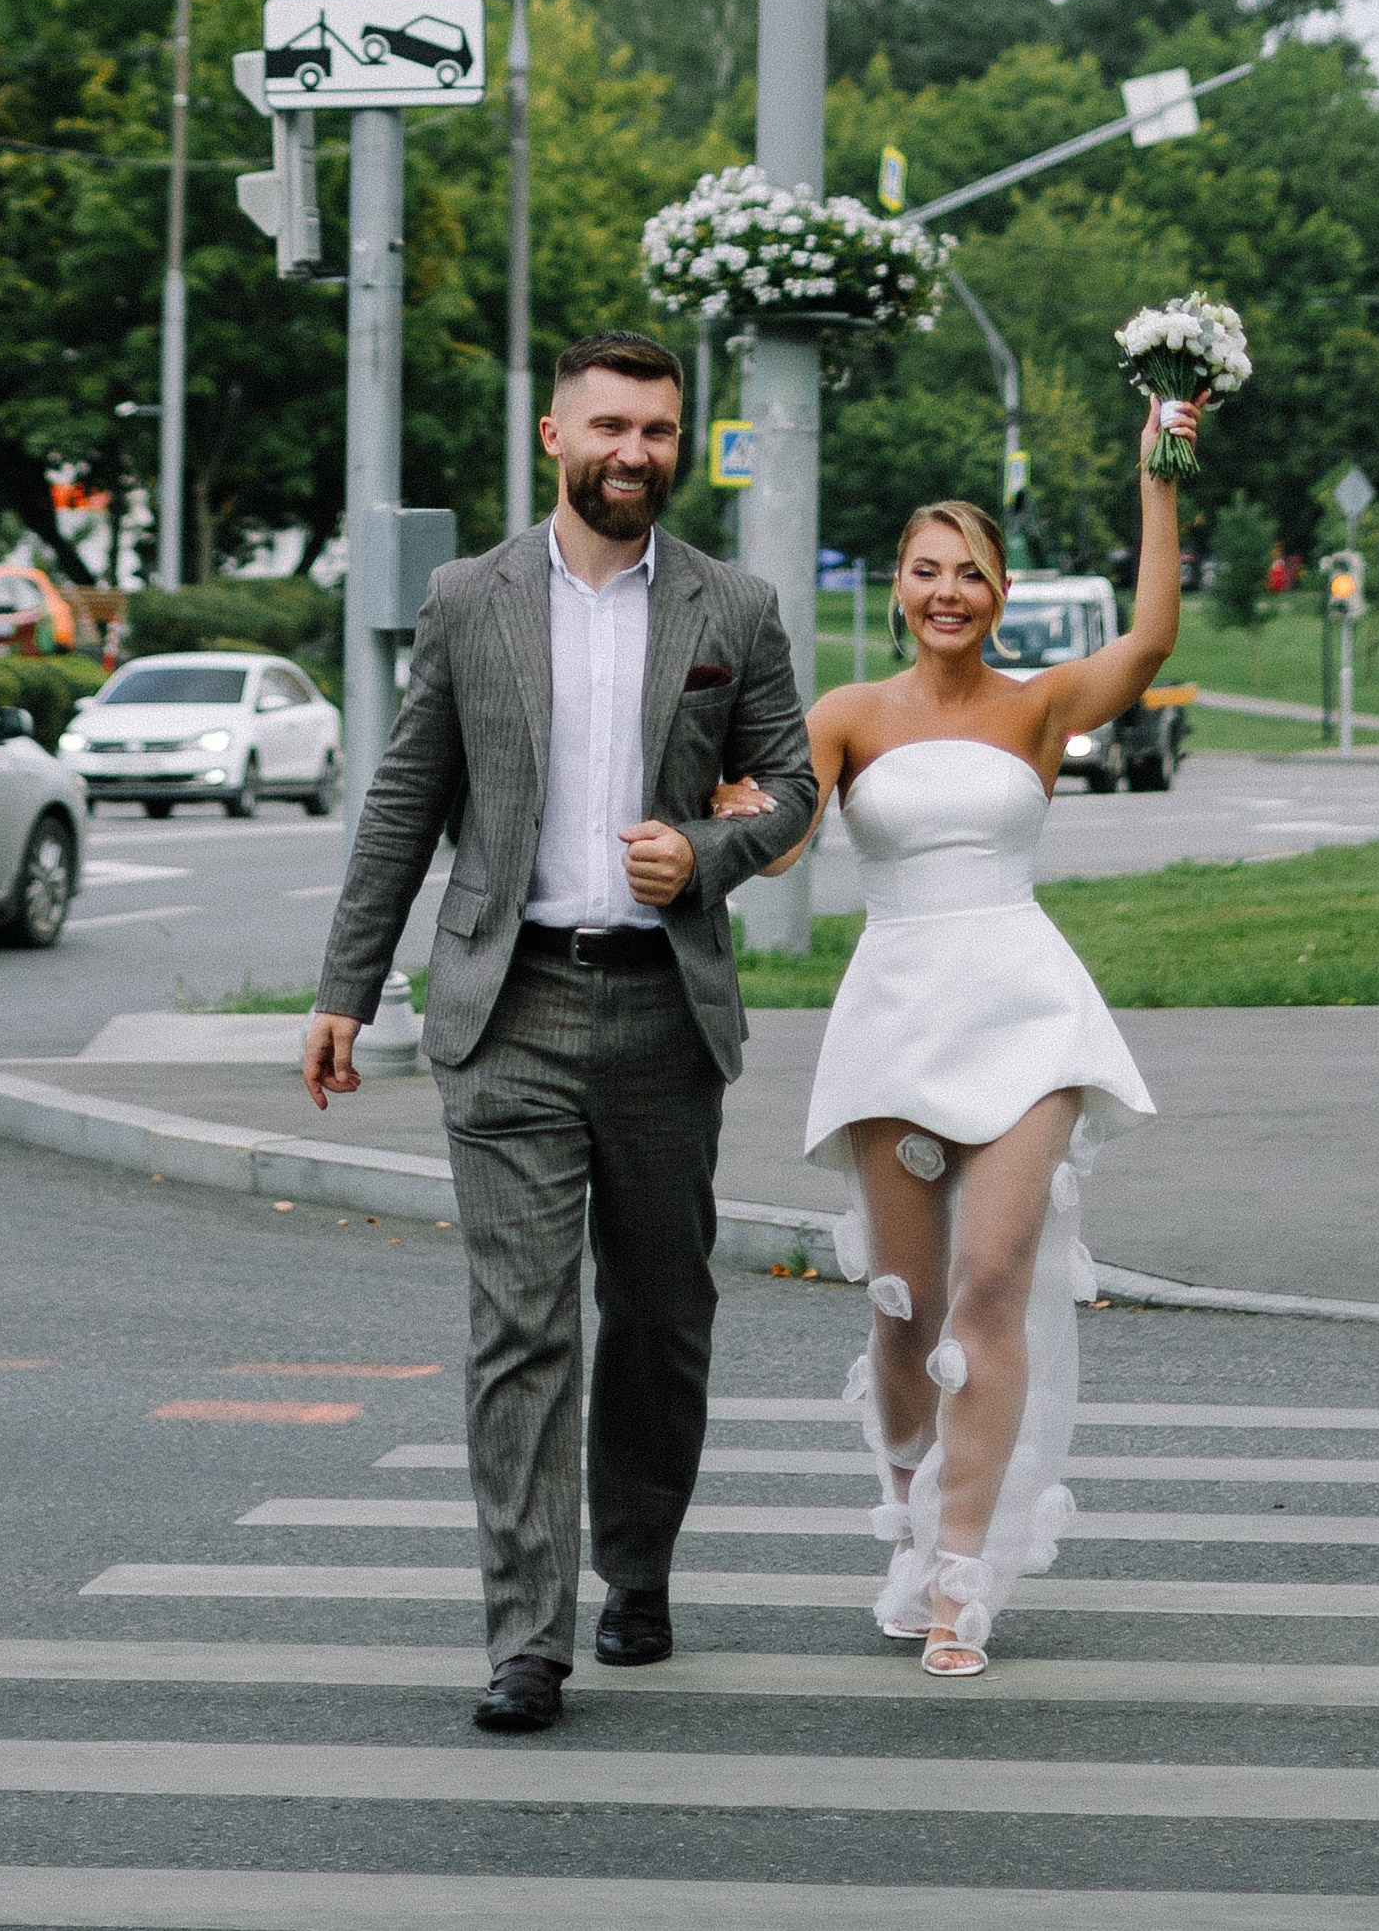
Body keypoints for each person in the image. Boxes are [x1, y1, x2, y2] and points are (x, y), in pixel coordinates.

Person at [303, 330, 817, 1736]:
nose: (632, 452)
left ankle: (635, 1565)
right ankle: (524, 1635)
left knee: (659, 1318)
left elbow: (791, 791)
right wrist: (345, 986)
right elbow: (406, 801)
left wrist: (704, 856)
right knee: (519, 1328)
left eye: (654, 429)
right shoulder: (470, 600)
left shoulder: (735, 605)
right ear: (553, 437)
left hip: (663, 1010)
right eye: (608, 426)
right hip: (506, 1005)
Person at [716, 397, 1195, 1676]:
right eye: (926, 572)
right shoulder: (848, 714)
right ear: (896, 591)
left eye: (969, 573)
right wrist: (721, 810)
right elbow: (777, 843)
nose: (947, 591)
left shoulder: (1038, 708)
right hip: (896, 1014)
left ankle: (965, 1572)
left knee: (987, 1288)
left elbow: (1149, 637)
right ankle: (906, 1524)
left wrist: (1161, 469)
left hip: (1025, 1008)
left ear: (997, 592)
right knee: (901, 1304)